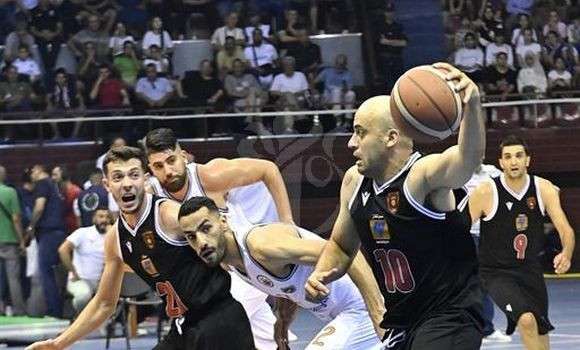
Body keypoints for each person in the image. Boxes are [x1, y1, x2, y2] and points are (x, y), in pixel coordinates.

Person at [306, 63, 486, 349]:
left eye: (360, 132)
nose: (351, 143)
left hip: (449, 315)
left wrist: (472, 106)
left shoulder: (421, 176)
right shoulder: (354, 182)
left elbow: (467, 160)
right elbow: (341, 246)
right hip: (403, 320)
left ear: (390, 138)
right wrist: (322, 272)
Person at [26, 146, 255, 350]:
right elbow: (105, 303)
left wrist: (282, 284)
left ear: (145, 180)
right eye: (118, 177)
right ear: (107, 184)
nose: (127, 183)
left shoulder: (170, 216)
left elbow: (234, 244)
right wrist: (60, 343)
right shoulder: (115, 238)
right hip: (182, 326)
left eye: (133, 175)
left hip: (219, 320)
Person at [144, 128, 295, 350]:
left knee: (213, 325)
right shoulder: (151, 197)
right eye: (158, 166)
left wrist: (287, 222)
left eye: (171, 160)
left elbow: (268, 169)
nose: (168, 170)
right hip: (209, 276)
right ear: (150, 169)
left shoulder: (209, 176)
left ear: (183, 156)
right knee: (267, 339)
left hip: (242, 268)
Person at [177, 196, 383, 350]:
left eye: (206, 228)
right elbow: (288, 281)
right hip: (338, 315)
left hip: (361, 310)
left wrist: (377, 311)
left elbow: (346, 251)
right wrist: (283, 320)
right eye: (191, 237)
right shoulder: (230, 263)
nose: (201, 242)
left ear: (223, 222)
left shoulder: (261, 246)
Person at [468, 135, 575, 350]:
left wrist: (566, 253)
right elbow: (458, 230)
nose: (513, 161)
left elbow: (566, 230)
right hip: (496, 272)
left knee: (541, 330)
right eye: (508, 157)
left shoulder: (543, 189)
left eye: (518, 156)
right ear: (501, 163)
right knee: (526, 320)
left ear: (527, 160)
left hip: (529, 270)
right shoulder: (486, 191)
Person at [464, 163, 512, 343]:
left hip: (489, 236)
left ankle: (484, 327)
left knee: (484, 283)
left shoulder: (492, 173)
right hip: (466, 235)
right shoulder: (460, 172)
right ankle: (481, 327)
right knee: (473, 282)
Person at [27, 164, 66, 318]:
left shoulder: (42, 184)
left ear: (38, 170)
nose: (31, 175)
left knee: (46, 272)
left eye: (32, 171)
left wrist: (31, 226)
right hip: (58, 230)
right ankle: (57, 308)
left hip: (48, 232)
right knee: (55, 272)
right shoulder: (54, 185)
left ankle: (53, 310)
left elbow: (39, 207)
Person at [58, 207, 109, 314]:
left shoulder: (112, 236)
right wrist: (73, 272)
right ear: (94, 219)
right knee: (84, 295)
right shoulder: (83, 233)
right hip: (80, 280)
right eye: (101, 216)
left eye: (107, 217)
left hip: (103, 282)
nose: (104, 220)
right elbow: (63, 250)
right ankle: (80, 318)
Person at [0, 165, 27, 316]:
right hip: (9, 240)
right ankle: (18, 309)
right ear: (3, 176)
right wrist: (21, 240)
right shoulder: (10, 192)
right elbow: (16, 219)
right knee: (13, 278)